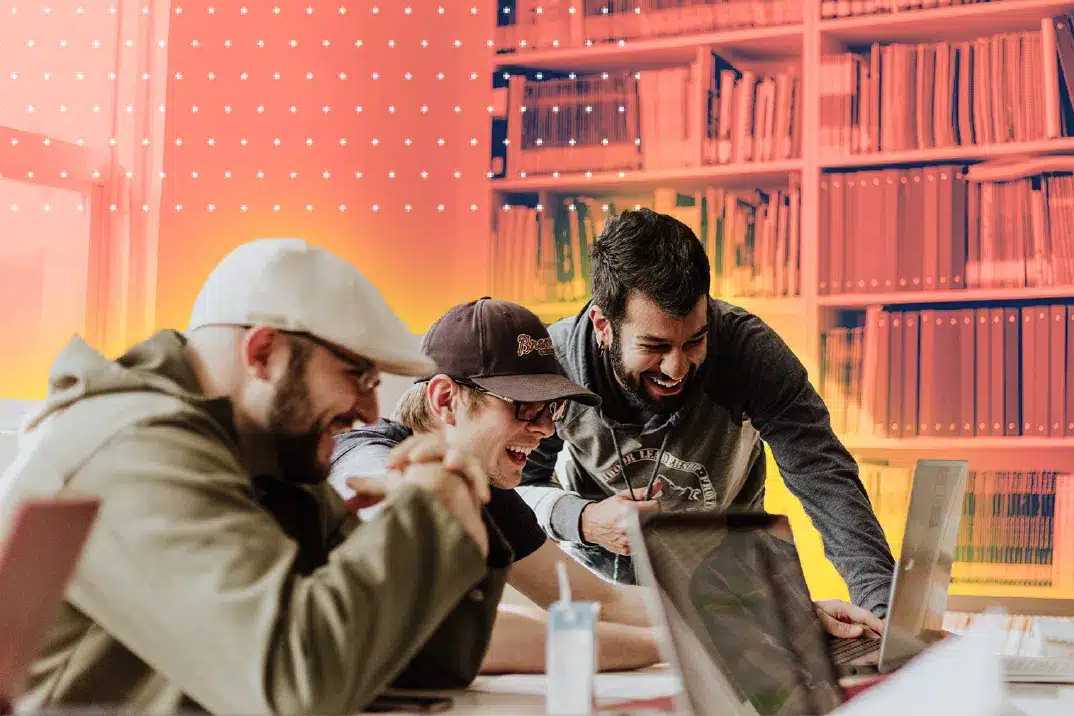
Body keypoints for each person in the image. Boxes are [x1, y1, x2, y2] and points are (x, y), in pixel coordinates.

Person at [0, 239, 505, 714]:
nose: (372, 412)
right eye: (358, 376)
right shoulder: (134, 448)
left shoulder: (265, 460)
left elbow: (422, 664)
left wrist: (448, 512)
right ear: (263, 352)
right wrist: (428, 514)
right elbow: (294, 686)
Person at [514, 207, 896, 624]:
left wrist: (883, 611)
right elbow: (512, 489)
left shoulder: (749, 351)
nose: (676, 369)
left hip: (733, 588)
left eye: (694, 341)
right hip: (606, 596)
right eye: (655, 347)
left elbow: (823, 475)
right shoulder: (554, 364)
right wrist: (583, 519)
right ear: (603, 325)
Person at [329, 297, 661, 673]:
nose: (547, 429)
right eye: (525, 406)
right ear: (445, 400)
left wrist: (720, 623)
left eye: (551, 409)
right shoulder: (366, 461)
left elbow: (597, 600)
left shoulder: (484, 486)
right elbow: (448, 630)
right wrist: (671, 648)